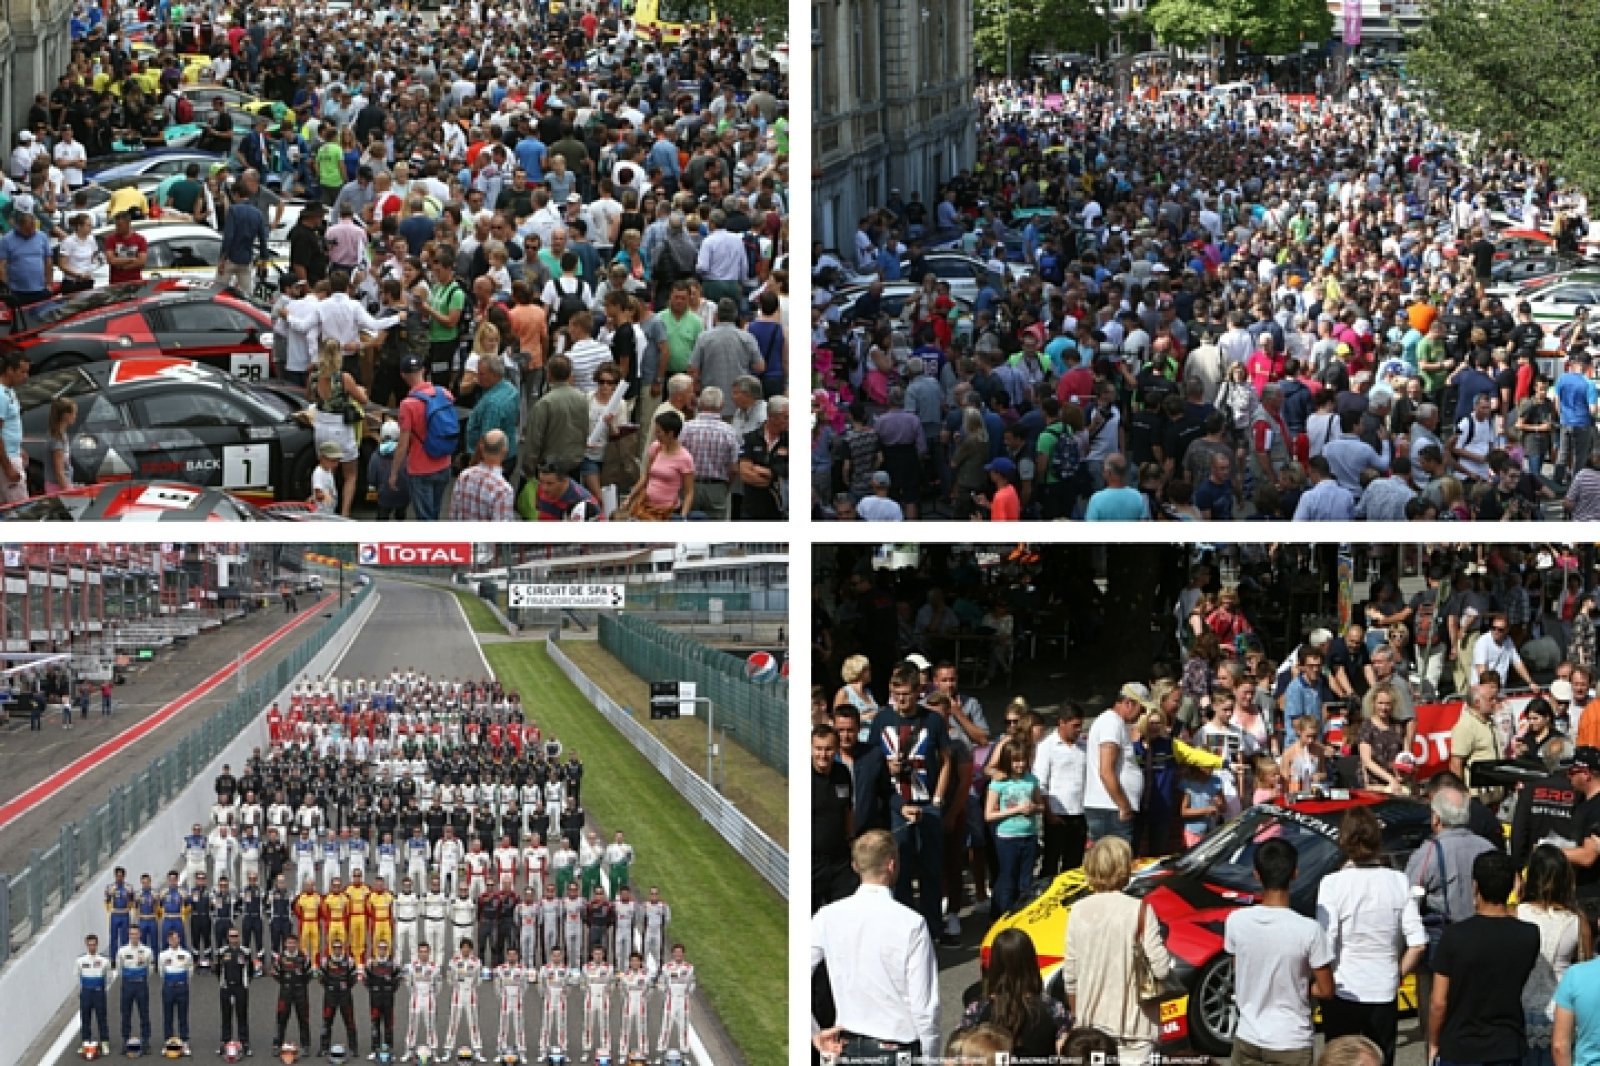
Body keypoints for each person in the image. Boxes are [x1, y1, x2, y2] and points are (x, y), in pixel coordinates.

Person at [811, 830, 941, 1064]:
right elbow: (924, 1006)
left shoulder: (827, 917)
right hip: (896, 1050)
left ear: (854, 866)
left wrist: (813, 1033)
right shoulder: (912, 923)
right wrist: (931, 1057)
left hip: (846, 1048)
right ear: (892, 865)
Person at [1316, 807, 1427, 1065]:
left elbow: (1326, 941)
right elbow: (1418, 944)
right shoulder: (1398, 881)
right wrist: (1397, 973)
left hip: (1342, 990)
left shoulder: (1332, 884)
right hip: (1383, 991)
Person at [1062, 836, 1173, 1066]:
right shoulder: (1139, 910)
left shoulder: (1077, 911)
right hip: (1135, 1031)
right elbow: (1161, 970)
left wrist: (1078, 1018)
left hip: (1091, 1030)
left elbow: (1070, 977)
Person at [1427, 851, 1541, 1066]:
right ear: (1511, 887)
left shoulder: (1454, 936)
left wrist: (1433, 1042)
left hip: (1460, 1045)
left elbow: (1438, 1002)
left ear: (1475, 886)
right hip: (1507, 1043)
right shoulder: (1529, 935)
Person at [1230, 837, 1335, 1066]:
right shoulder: (1310, 930)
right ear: (1295, 873)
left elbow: (1237, 966)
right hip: (1292, 1042)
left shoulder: (1236, 921)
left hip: (1247, 1036)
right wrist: (1301, 984)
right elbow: (1326, 990)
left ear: (1257, 874)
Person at [1520, 844, 1593, 1066]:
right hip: (1563, 1010)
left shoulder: (1518, 914)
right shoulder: (1577, 920)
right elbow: (1587, 969)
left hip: (1522, 1005)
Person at [960, 928, 1071, 1059]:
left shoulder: (977, 1008)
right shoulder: (1053, 1009)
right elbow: (1065, 1050)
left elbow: (960, 1045)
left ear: (995, 963)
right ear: (1031, 962)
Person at [1083, 685, 1155, 846]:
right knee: (1116, 864)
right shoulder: (1111, 724)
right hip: (1111, 810)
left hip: (1111, 809)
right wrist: (1124, 805)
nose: (1143, 714)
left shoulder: (1115, 724)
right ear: (1129, 703)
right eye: (1141, 708)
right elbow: (1106, 770)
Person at [390, 354, 457, 522]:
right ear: (423, 371)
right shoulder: (445, 394)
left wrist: (394, 473)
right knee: (435, 511)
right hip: (444, 463)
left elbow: (403, 444)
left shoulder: (408, 405)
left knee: (425, 519)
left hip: (420, 469)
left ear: (403, 376)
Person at [985, 729, 1042, 916]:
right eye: (1016, 761)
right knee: (1008, 879)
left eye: (1023, 760)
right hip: (1007, 837)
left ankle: (1022, 916)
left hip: (1029, 835)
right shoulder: (999, 783)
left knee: (1025, 881)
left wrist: (1034, 807)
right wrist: (1015, 810)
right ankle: (1003, 917)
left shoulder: (1031, 780)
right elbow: (989, 815)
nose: (1020, 765)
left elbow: (1041, 805)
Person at [812, 724, 858, 911]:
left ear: (837, 749)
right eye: (818, 749)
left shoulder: (842, 773)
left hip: (840, 861)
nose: (823, 755)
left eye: (829, 749)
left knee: (844, 912)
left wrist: (851, 841)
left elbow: (847, 809)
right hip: (812, 862)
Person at [626, 408, 696, 520]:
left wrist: (683, 516)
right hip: (646, 506)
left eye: (659, 432)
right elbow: (645, 477)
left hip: (667, 511)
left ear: (670, 434)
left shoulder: (685, 458)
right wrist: (630, 497)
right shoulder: (656, 448)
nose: (656, 435)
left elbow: (689, 492)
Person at [158, 927, 194, 1057]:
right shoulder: (162, 955)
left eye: (176, 938)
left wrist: (181, 982)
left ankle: (184, 1042)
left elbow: (190, 971)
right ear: (168, 940)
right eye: (171, 938)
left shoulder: (186, 955)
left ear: (179, 939)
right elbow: (161, 972)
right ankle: (168, 1042)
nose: (174, 940)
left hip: (182, 988)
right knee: (168, 1016)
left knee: (182, 1016)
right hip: (168, 988)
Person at [76, 932, 112, 1058]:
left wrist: (102, 989)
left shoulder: (104, 960)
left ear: (97, 945)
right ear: (86, 945)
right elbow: (77, 977)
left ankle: (105, 1042)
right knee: (85, 1018)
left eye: (94, 945)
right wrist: (82, 991)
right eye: (89, 945)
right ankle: (85, 1042)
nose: (92, 947)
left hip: (98, 992)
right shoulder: (80, 960)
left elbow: (109, 977)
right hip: (86, 992)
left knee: (101, 1017)